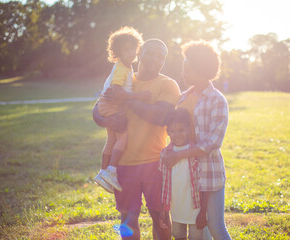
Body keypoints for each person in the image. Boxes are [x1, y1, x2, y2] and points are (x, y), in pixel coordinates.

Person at [93, 38, 181, 239]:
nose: (156, 59)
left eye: (161, 56)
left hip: (155, 163)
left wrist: (125, 98)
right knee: (127, 219)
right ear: (139, 53)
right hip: (123, 165)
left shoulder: (168, 84)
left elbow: (160, 116)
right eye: (151, 53)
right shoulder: (123, 78)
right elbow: (99, 107)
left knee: (161, 217)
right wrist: (102, 119)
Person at [161, 40, 232, 240]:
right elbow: (175, 131)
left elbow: (213, 142)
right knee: (200, 231)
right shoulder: (183, 97)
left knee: (216, 226)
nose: (183, 74)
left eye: (187, 70)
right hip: (185, 174)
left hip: (209, 173)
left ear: (201, 70)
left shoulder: (217, 100)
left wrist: (179, 155)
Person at [93, 26, 149, 193]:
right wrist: (138, 96)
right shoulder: (122, 68)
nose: (131, 52)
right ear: (117, 53)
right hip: (111, 105)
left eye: (133, 48)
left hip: (106, 104)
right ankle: (111, 170)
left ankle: (102, 172)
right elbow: (117, 91)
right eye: (126, 49)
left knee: (111, 139)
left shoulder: (126, 67)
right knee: (122, 138)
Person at [159, 108, 211, 240]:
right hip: (176, 210)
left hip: (196, 210)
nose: (177, 134)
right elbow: (163, 185)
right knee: (178, 237)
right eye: (173, 131)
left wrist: (203, 212)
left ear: (188, 129)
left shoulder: (195, 153)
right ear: (167, 132)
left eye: (181, 130)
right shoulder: (165, 154)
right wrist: (163, 212)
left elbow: (205, 183)